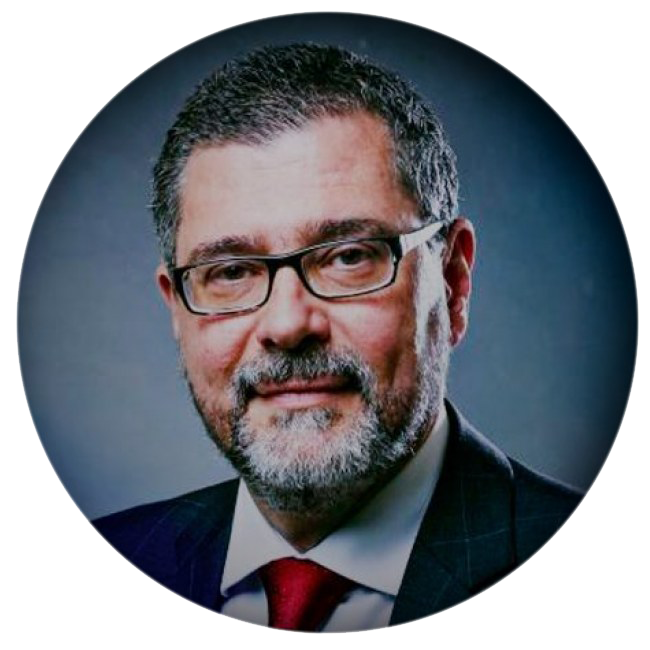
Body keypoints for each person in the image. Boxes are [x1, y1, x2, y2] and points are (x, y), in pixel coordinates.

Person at [94, 43, 581, 632]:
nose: (287, 325)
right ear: (177, 309)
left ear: (452, 283)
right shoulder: (97, 572)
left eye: (349, 257)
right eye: (231, 271)